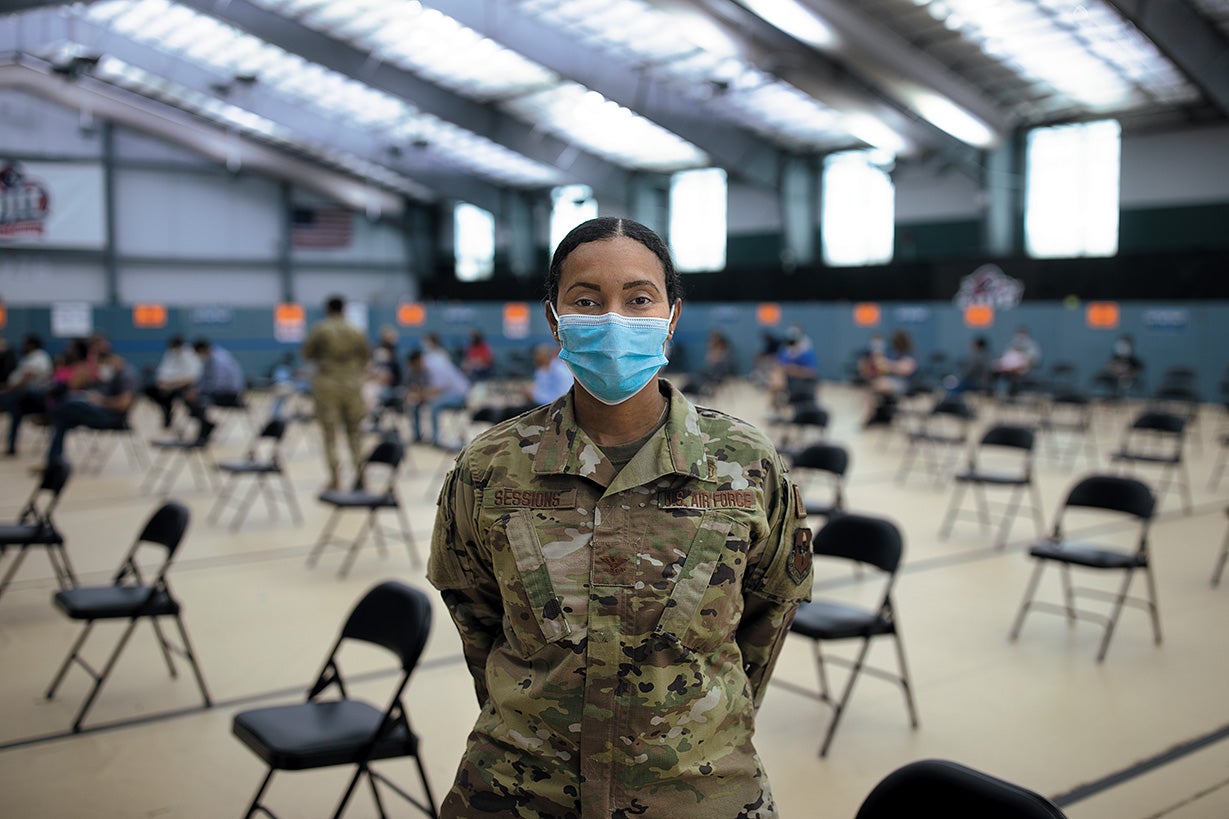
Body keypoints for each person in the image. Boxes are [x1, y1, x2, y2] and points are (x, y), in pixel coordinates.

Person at [428, 216, 811, 817]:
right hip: (520, 792)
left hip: (698, 791)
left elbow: (768, 613)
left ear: (672, 316)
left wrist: (693, 727)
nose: (613, 319)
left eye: (638, 299)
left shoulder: (745, 464)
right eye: (587, 300)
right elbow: (475, 613)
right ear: (555, 320)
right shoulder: (489, 468)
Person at [302, 295, 370, 491]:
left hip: (327, 385)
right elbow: (366, 356)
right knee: (355, 433)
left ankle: (335, 478)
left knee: (329, 434)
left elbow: (307, 354)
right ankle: (360, 475)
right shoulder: (356, 331)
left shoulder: (320, 330)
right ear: (344, 309)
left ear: (327, 309)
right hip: (352, 385)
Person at [43, 349, 138, 467]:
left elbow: (124, 404)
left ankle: (50, 417)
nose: (103, 367)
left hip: (113, 418)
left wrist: (101, 401)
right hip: (102, 411)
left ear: (113, 360)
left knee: (71, 404)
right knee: (65, 415)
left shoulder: (126, 376)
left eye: (104, 364)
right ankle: (53, 461)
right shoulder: (114, 374)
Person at [404, 338, 470, 447]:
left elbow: (437, 391)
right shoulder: (418, 368)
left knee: (435, 405)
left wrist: (421, 395)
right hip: (443, 394)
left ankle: (436, 440)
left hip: (459, 395)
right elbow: (417, 388)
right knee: (415, 404)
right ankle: (417, 437)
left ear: (418, 361)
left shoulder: (435, 366)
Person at [1, 333, 54, 456]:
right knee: (15, 410)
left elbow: (28, 377)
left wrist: (10, 389)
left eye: (25, 344)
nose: (22, 346)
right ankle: (11, 445)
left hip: (33, 398)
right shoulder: (29, 357)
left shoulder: (40, 357)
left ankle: (11, 445)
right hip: (20, 397)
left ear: (31, 345)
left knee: (15, 404)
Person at [184, 337, 246, 436]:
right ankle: (206, 424)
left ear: (202, 349)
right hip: (219, 392)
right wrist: (194, 389)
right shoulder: (209, 358)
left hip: (229, 395)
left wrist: (198, 391)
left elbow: (218, 384)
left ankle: (204, 430)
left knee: (198, 400)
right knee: (188, 397)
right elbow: (203, 378)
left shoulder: (219, 360)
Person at [144, 334, 201, 430]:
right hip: (168, 385)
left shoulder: (190, 355)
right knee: (150, 390)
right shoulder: (170, 353)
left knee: (183, 395)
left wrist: (173, 385)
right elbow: (163, 371)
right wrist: (162, 382)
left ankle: (192, 415)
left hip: (183, 386)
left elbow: (192, 377)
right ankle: (166, 410)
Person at [863, 330, 918, 426]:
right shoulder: (893, 353)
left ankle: (881, 413)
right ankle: (875, 416)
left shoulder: (909, 354)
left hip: (905, 384)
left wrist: (889, 364)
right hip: (891, 381)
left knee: (880, 385)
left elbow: (905, 369)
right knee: (870, 388)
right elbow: (884, 368)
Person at [992, 326, 1041, 395]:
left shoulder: (1032, 346)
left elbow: (1032, 361)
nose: (1020, 336)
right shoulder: (1013, 344)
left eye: (1022, 334)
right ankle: (994, 392)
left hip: (1023, 369)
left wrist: (1019, 367)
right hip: (1009, 368)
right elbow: (1006, 357)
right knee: (995, 371)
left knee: (1014, 376)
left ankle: (1014, 393)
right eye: (1019, 334)